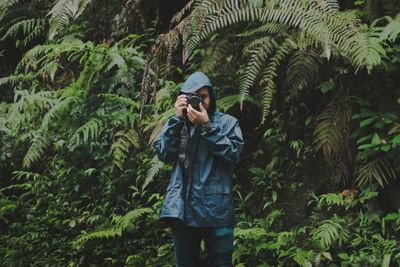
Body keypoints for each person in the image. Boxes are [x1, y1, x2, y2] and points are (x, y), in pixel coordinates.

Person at [154, 71, 244, 267]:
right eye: (192, 97)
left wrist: (207, 127)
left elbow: (233, 154)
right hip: (183, 209)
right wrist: (177, 120)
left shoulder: (227, 123)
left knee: (222, 263)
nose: (199, 102)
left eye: (202, 97)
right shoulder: (177, 125)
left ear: (212, 96)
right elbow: (164, 154)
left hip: (216, 207)